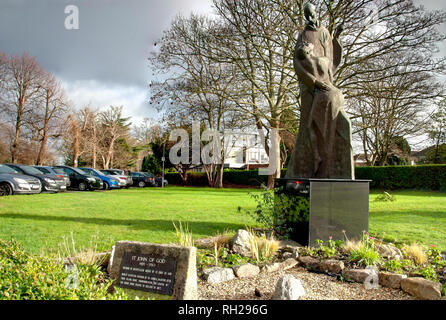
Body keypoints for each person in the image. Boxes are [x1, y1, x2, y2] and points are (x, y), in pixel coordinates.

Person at [286, 2, 354, 179]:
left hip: (326, 87)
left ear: (315, 13)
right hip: (311, 90)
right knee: (309, 127)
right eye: (306, 15)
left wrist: (336, 37)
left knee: (336, 123)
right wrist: (314, 83)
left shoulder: (324, 32)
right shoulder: (303, 36)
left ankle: (330, 166)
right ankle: (311, 165)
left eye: (311, 13)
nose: (309, 18)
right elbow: (298, 63)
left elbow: (332, 60)